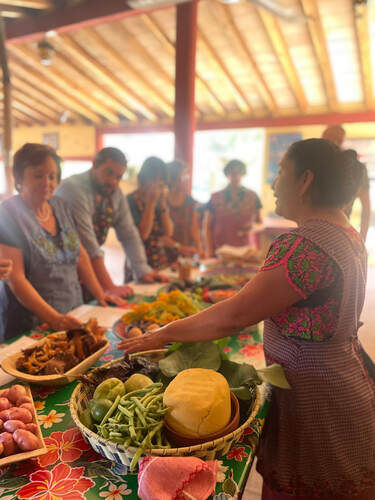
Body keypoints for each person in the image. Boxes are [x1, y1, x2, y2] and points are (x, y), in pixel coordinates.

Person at [119, 139, 375, 500]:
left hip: (318, 396)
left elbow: (234, 315)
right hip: (341, 380)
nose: (273, 182)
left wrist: (164, 334)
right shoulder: (347, 234)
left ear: (305, 180)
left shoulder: (303, 245)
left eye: (281, 171)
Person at [0, 144, 118, 340]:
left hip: (73, 312)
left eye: (52, 176)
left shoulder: (60, 206)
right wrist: (54, 319)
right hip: (31, 324)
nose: (47, 182)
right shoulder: (8, 214)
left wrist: (99, 293)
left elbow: (80, 255)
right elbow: (16, 279)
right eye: (38, 175)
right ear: (20, 177)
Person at [55, 148, 165, 297]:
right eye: (108, 173)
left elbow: (129, 234)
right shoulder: (74, 189)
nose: (113, 181)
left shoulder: (116, 194)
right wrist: (109, 286)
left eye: (118, 177)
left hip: (88, 271)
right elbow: (88, 244)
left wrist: (143, 270)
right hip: (60, 272)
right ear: (94, 165)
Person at [127, 157, 175, 279]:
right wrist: (150, 203)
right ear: (143, 178)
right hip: (138, 263)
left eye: (161, 182)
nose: (158, 185)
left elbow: (169, 232)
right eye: (154, 179)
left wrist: (163, 204)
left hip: (160, 261)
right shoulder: (130, 200)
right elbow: (143, 234)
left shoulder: (160, 201)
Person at [322, 125, 371, 241]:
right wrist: (362, 240)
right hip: (336, 230)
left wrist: (363, 239)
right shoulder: (320, 165)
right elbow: (366, 209)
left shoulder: (354, 168)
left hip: (336, 231)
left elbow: (366, 209)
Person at [205, 159, 262, 256]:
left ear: (243, 174)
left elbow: (260, 222)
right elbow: (207, 226)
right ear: (227, 174)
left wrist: (252, 227)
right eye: (232, 173)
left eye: (239, 173)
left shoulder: (253, 196)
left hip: (246, 249)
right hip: (221, 249)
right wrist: (209, 250)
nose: (236, 176)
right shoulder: (215, 197)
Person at [166, 160, 203, 257]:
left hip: (186, 256)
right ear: (173, 179)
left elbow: (194, 229)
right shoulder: (161, 203)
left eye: (188, 176)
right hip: (164, 256)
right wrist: (179, 247)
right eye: (184, 176)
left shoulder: (191, 202)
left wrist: (200, 249)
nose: (188, 179)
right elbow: (161, 236)